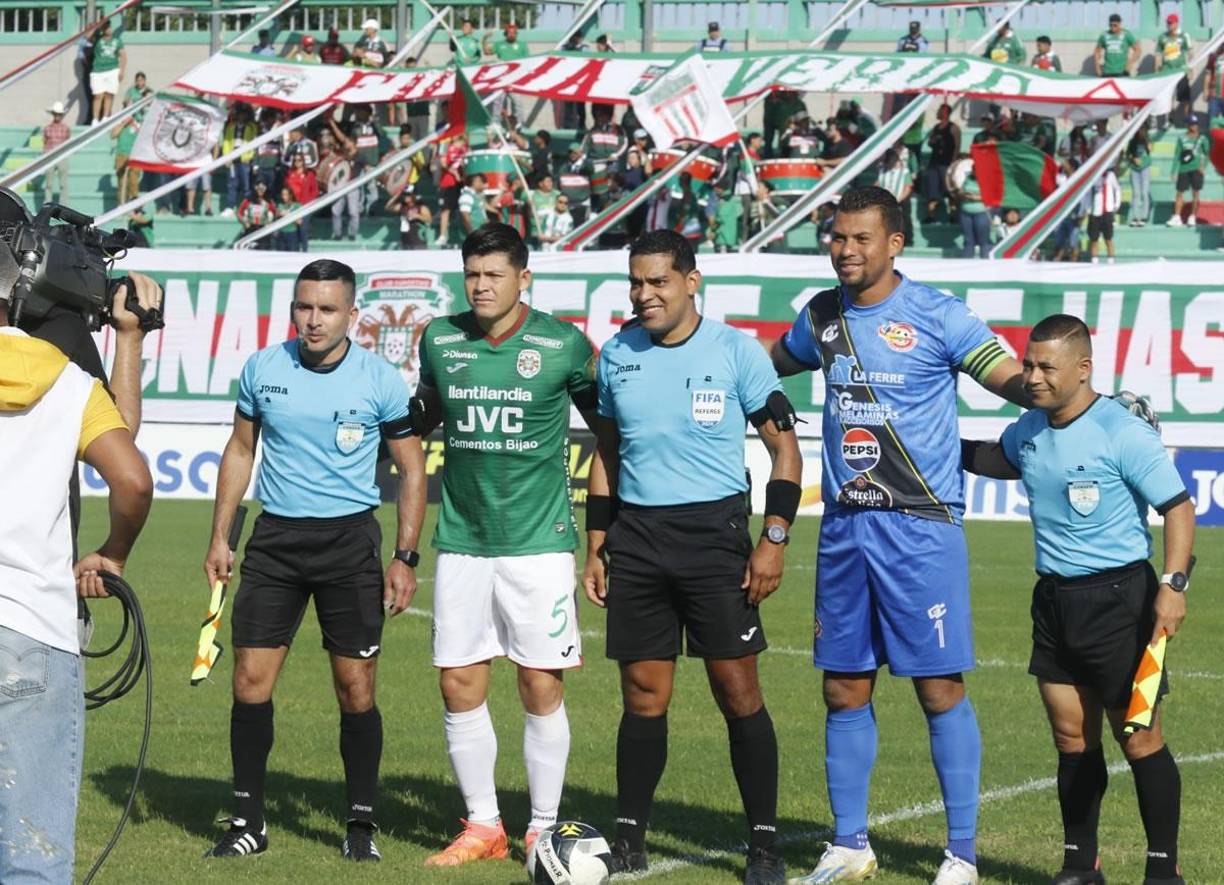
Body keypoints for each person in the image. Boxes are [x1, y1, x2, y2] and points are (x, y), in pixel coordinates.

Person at [772, 186, 1029, 885]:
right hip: (846, 527)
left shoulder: (940, 316)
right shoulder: (821, 315)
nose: (846, 250)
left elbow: (1009, 377)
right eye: (837, 237)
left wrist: (1054, 395)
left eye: (860, 238)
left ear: (894, 244)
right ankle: (849, 844)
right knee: (843, 687)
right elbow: (773, 363)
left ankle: (963, 855)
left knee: (939, 687)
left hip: (921, 527)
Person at [582, 229, 801, 885]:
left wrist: (774, 538)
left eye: (658, 282)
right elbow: (608, 454)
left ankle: (764, 844)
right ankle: (630, 838)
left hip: (715, 536)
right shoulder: (617, 354)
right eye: (636, 283)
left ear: (691, 281)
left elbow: (784, 451)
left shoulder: (737, 352)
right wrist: (596, 544)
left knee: (737, 691)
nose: (645, 294)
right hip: (639, 539)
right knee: (643, 694)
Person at [202, 258, 426, 862]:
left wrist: (405, 556)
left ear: (353, 315)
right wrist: (221, 535)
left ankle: (360, 825)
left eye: (327, 309)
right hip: (275, 541)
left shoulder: (379, 379)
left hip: (349, 544)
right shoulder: (263, 368)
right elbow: (241, 448)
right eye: (304, 307)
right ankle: (248, 820)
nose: (313, 320)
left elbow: (411, 469)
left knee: (355, 688)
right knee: (249, 681)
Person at [962, 314, 1195, 885]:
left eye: (1046, 367)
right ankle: (1080, 864)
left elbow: (1178, 507)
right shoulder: (1032, 426)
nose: (1032, 377)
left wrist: (1173, 586)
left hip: (1121, 600)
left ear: (1083, 368)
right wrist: (937, 440)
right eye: (1029, 364)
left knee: (1139, 738)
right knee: (1071, 737)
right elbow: (1001, 460)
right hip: (1054, 602)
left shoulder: (1120, 429)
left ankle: (1163, 870)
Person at [399, 224, 598, 866]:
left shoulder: (564, 344)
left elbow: (612, 436)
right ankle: (484, 827)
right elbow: (424, 412)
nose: (481, 286)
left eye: (494, 275)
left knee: (540, 683)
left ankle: (543, 826)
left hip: (539, 544)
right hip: (461, 539)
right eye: (473, 273)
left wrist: (603, 535)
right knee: (459, 681)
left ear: (523, 279)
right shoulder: (439, 338)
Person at [0, 283, 153, 885]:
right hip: (32, 623)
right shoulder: (68, 381)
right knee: (31, 853)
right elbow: (134, 482)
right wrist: (113, 555)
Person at [1167, 116, 1208, 227]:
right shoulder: (1181, 138)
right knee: (1179, 193)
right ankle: (1177, 217)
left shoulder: (1202, 138)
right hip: (1183, 169)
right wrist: (1173, 171)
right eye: (1191, 124)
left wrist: (1203, 166)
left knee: (1195, 193)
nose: (1194, 126)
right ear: (1188, 125)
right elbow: (1177, 155)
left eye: (1195, 124)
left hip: (1196, 169)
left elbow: (1207, 153)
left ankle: (1192, 217)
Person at [1154, 14, 1193, 128]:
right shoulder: (1162, 37)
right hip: (1167, 71)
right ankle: (1169, 120)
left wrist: (1191, 69)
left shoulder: (1184, 35)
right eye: (1168, 23)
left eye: (1171, 23)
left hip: (1181, 71)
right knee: (1168, 96)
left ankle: (1186, 119)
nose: (1169, 25)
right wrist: (1157, 71)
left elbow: (1190, 53)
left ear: (1176, 23)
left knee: (1184, 97)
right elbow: (1158, 55)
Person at [923, 105, 959, 222]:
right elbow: (930, 142)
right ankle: (931, 215)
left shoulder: (953, 128)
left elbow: (957, 147)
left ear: (945, 112)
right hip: (934, 162)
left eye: (939, 110)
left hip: (947, 164)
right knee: (932, 191)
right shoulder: (936, 127)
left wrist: (953, 164)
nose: (937, 112)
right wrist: (933, 141)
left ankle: (953, 215)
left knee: (950, 191)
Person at [221, 104, 257, 217]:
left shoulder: (251, 127)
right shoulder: (231, 126)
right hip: (232, 157)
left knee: (246, 184)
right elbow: (226, 142)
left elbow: (254, 143)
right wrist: (227, 157)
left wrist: (249, 156)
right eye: (240, 114)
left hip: (244, 158)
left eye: (244, 114)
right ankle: (230, 207)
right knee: (232, 183)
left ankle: (247, 207)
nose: (242, 116)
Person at [437, 132, 469, 245]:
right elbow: (443, 163)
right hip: (448, 182)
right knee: (445, 209)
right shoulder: (445, 145)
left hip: (462, 183)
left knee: (464, 209)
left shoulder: (465, 148)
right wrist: (455, 173)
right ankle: (442, 235)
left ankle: (465, 236)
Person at [89, 19, 125, 123]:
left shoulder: (117, 40)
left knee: (109, 94)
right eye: (105, 27)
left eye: (109, 27)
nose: (108, 29)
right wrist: (95, 26)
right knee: (98, 95)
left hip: (112, 69)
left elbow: (123, 56)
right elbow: (88, 36)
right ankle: (95, 119)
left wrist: (122, 71)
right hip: (98, 70)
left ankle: (105, 117)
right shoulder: (97, 39)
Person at [1085, 166, 1120, 264]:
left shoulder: (1111, 175)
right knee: (1094, 239)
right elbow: (1087, 193)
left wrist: (1116, 205)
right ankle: (1094, 262)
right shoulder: (1093, 176)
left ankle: (1111, 262)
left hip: (1107, 211)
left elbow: (1117, 189)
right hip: (1095, 211)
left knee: (1108, 239)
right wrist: (1087, 209)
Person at [41, 101, 72, 204]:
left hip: (61, 157)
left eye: (59, 114)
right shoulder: (47, 128)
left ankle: (64, 205)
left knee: (63, 183)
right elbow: (45, 143)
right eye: (56, 114)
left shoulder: (66, 128)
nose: (57, 116)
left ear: (62, 115)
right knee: (49, 183)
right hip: (50, 157)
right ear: (53, 114)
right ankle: (47, 203)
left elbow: (68, 142)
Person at [958, 164, 991, 259]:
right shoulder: (968, 178)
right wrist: (964, 195)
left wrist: (976, 197)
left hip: (981, 212)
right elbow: (960, 191)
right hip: (966, 213)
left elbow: (991, 196)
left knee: (983, 241)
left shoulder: (987, 180)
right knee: (968, 241)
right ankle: (966, 263)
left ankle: (985, 263)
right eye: (974, 169)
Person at [110, 112, 142, 207]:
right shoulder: (121, 124)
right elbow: (112, 135)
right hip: (121, 156)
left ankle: (135, 206)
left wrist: (135, 125)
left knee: (134, 182)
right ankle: (122, 205)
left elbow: (144, 135)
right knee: (122, 182)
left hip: (135, 156)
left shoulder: (138, 123)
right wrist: (124, 123)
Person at [238, 177, 277, 248]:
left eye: (263, 188)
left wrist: (271, 223)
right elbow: (239, 212)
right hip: (250, 229)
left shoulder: (269, 200)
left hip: (264, 230)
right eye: (259, 188)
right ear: (255, 188)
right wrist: (245, 222)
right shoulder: (248, 199)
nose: (261, 190)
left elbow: (275, 213)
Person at [1126, 122, 1152, 226]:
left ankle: (1144, 217)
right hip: (1134, 169)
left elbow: (1150, 150)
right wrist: (1133, 158)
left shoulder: (1148, 140)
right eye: (1139, 129)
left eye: (1142, 129)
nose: (1141, 131)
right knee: (1136, 193)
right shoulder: (1133, 141)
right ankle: (1135, 217)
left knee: (1144, 193)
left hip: (1145, 168)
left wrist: (1146, 140)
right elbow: (1128, 154)